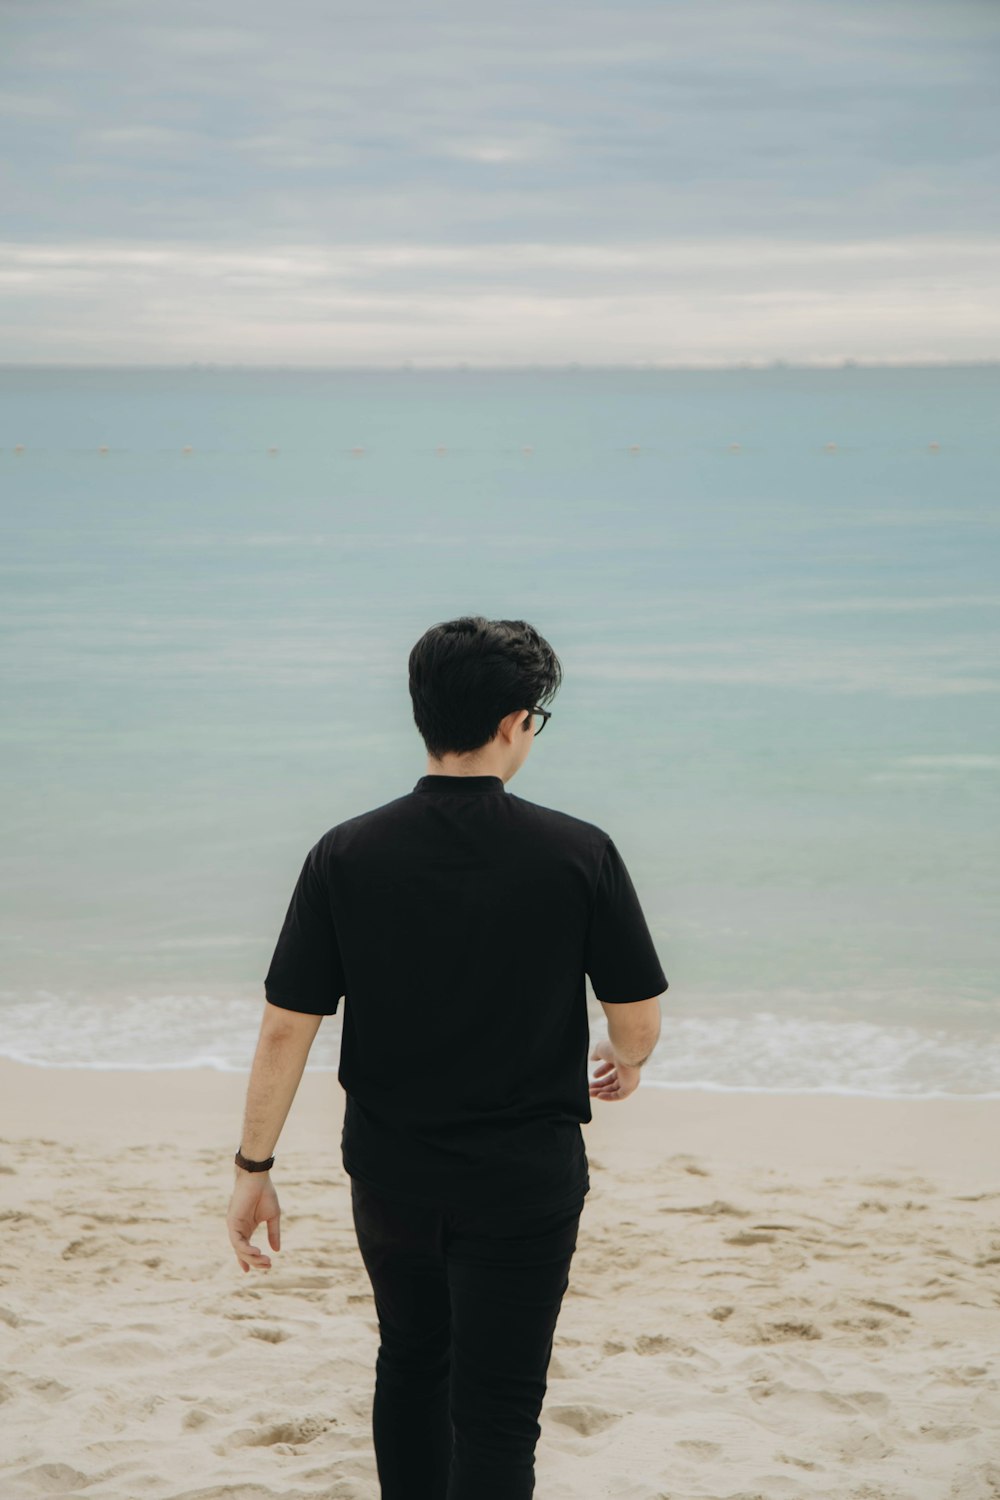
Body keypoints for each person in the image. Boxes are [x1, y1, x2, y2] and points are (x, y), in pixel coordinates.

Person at [226, 614, 668, 1500]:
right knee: (500, 1406)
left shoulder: (345, 852)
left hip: (392, 1172)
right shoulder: (578, 851)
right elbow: (637, 1016)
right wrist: (628, 1061)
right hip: (523, 1178)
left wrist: (254, 1167)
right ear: (515, 722)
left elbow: (286, 1024)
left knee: (413, 1362)